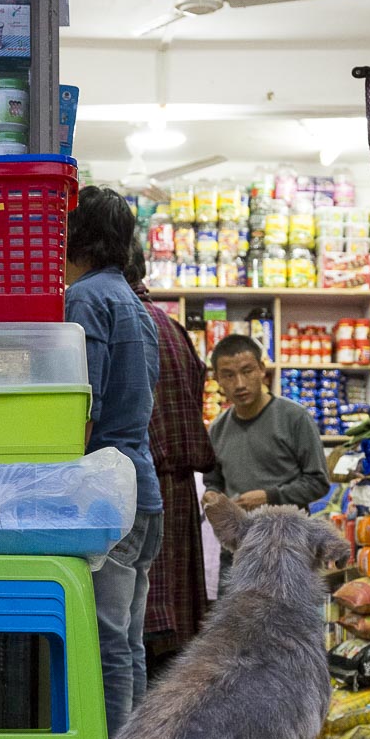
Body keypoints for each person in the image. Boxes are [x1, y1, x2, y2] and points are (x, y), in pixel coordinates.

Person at [64, 187, 163, 737]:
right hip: (142, 492)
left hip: (106, 495)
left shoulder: (86, 299)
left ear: (75, 237)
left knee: (105, 644)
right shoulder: (135, 302)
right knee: (128, 642)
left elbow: (84, 408)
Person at [124, 238, 216, 667]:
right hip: (175, 495)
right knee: (172, 643)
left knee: (136, 639)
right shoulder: (170, 326)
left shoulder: (117, 319)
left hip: (140, 493)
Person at [203, 333, 330, 585]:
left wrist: (270, 496)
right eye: (228, 375)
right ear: (217, 379)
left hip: (289, 546)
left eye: (247, 371)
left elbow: (318, 482)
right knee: (239, 622)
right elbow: (213, 481)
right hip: (239, 548)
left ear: (262, 369)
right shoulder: (217, 429)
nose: (239, 383)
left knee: (290, 621)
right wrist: (213, 497)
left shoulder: (294, 418)